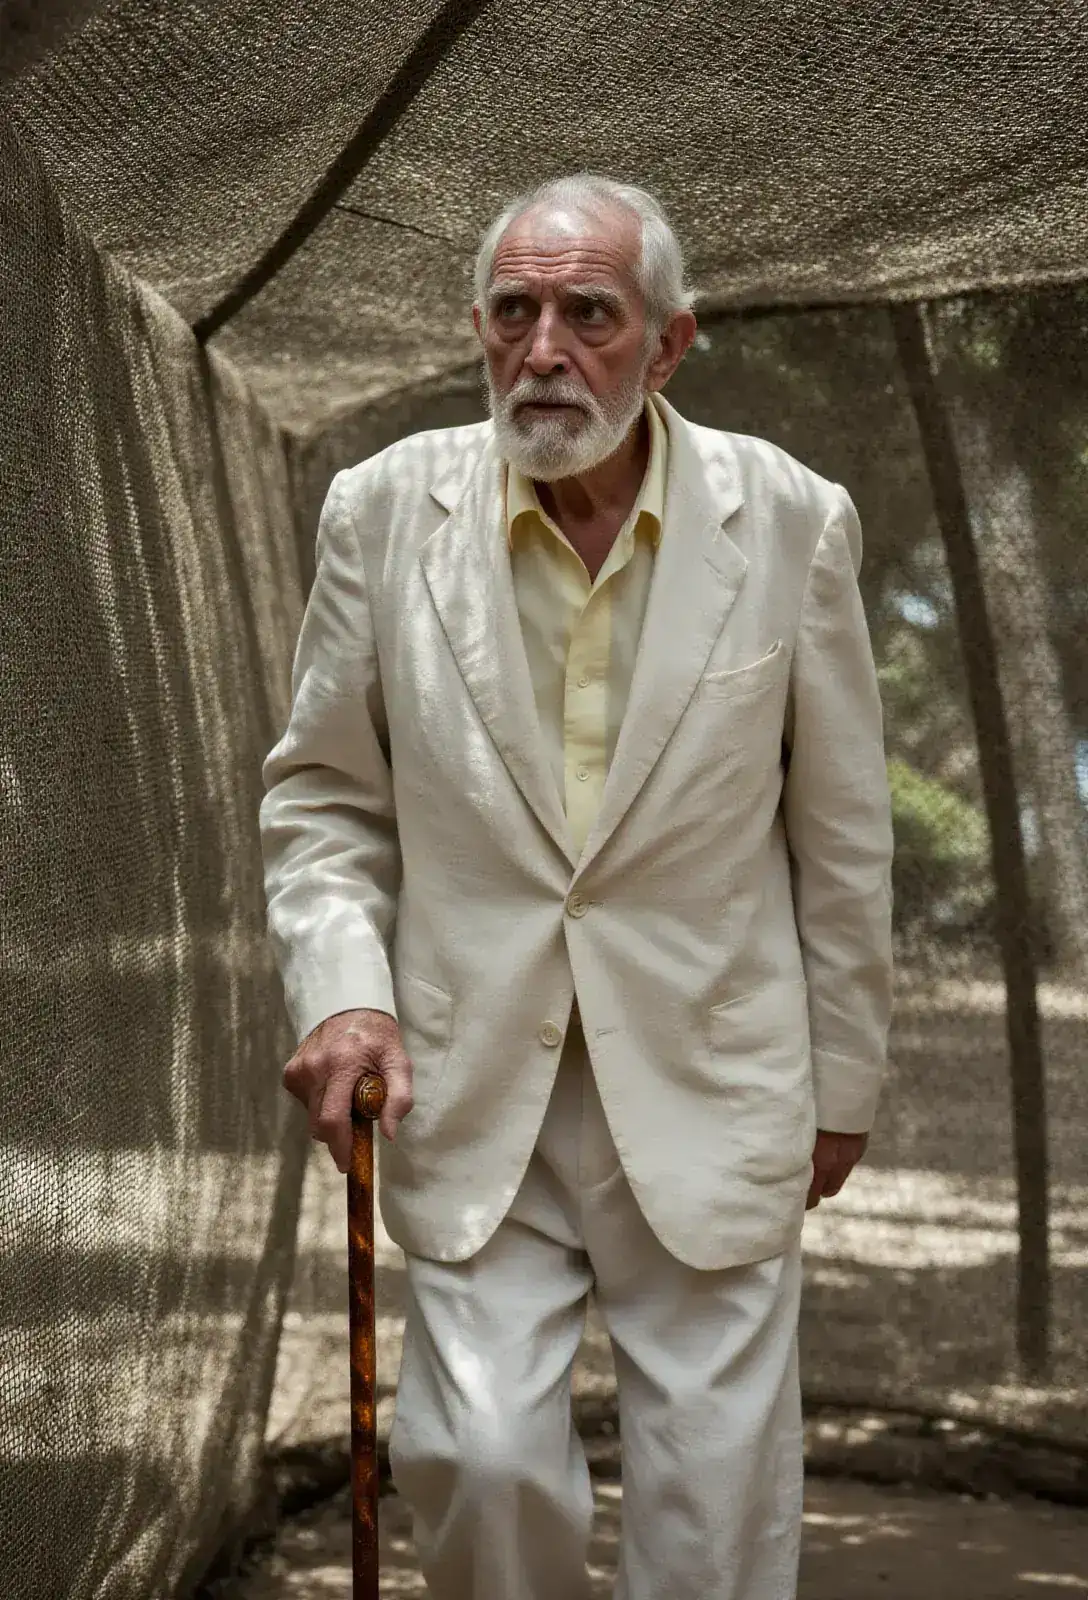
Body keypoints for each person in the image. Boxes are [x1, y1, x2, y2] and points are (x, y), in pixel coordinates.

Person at [259, 173, 894, 1600]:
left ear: (667, 344)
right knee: (477, 1460)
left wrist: (842, 1081)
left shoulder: (793, 519)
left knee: (715, 1506)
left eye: (588, 314)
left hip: (717, 1072)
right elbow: (323, 798)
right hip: (469, 1080)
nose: (542, 348)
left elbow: (843, 831)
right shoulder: (382, 510)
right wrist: (346, 994)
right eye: (513, 310)